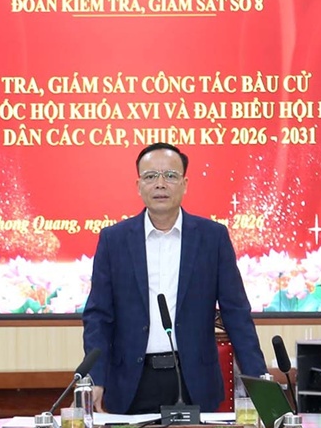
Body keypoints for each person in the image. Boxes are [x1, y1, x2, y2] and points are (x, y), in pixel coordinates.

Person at [82, 142, 265, 414]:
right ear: (138, 186)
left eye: (170, 175)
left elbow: (236, 313)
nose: (160, 184)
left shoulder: (212, 238)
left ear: (184, 184)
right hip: (131, 384)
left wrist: (259, 382)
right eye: (150, 176)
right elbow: (98, 316)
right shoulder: (114, 240)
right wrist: (95, 378)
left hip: (194, 383)